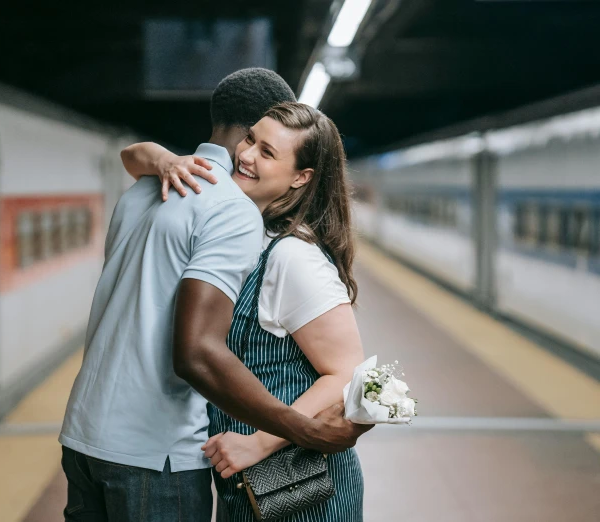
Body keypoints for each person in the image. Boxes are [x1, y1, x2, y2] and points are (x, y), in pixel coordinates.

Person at [59, 69, 368, 522]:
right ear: (251, 127)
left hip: (91, 437)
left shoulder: (146, 188)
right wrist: (301, 429)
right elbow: (198, 353)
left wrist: (158, 157)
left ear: (301, 177)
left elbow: (346, 367)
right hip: (161, 452)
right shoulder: (229, 210)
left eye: (268, 151)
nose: (249, 155)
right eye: (255, 141)